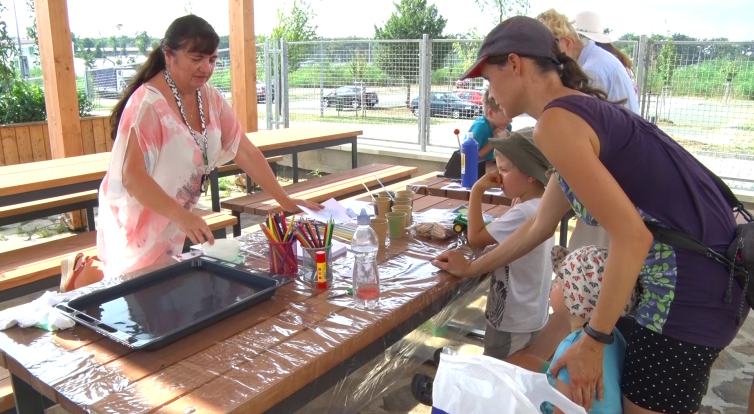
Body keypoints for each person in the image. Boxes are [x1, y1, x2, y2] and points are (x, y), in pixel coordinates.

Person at [432, 16, 741, 414]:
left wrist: (594, 340)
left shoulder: (557, 124)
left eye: (490, 79)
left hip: (689, 293)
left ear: (515, 64)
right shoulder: (578, 113)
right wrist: (473, 269)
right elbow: (539, 226)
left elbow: (634, 236)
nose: (489, 94)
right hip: (702, 281)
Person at [59, 15, 321, 292]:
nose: (205, 68)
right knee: (130, 287)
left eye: (212, 59)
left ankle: (88, 271)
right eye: (196, 58)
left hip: (173, 216)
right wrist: (182, 216)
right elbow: (132, 177)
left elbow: (245, 151)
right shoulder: (147, 104)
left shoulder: (210, 97)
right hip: (138, 217)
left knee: (156, 292)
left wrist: (285, 200)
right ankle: (82, 272)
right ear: (169, 54)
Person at [412, 127, 555, 405]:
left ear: (528, 175)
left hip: (512, 322)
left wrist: (477, 189)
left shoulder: (525, 211)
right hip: (529, 314)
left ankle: (467, 400)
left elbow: (476, 239)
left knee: (499, 381)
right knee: (512, 376)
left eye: (504, 169)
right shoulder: (537, 205)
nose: (498, 175)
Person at [537, 9, 639, 251]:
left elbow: (580, 138)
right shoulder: (599, 60)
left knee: (588, 263)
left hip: (616, 178)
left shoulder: (592, 71)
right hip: (620, 173)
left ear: (568, 42)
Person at [543, 245, 639, 414]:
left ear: (576, 300)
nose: (552, 286)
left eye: (558, 283)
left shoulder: (573, 350)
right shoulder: (613, 335)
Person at [467, 88, 513, 162]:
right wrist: (493, 141)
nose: (510, 120)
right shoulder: (480, 127)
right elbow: (471, 158)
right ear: (491, 113)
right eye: (505, 115)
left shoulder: (506, 126)